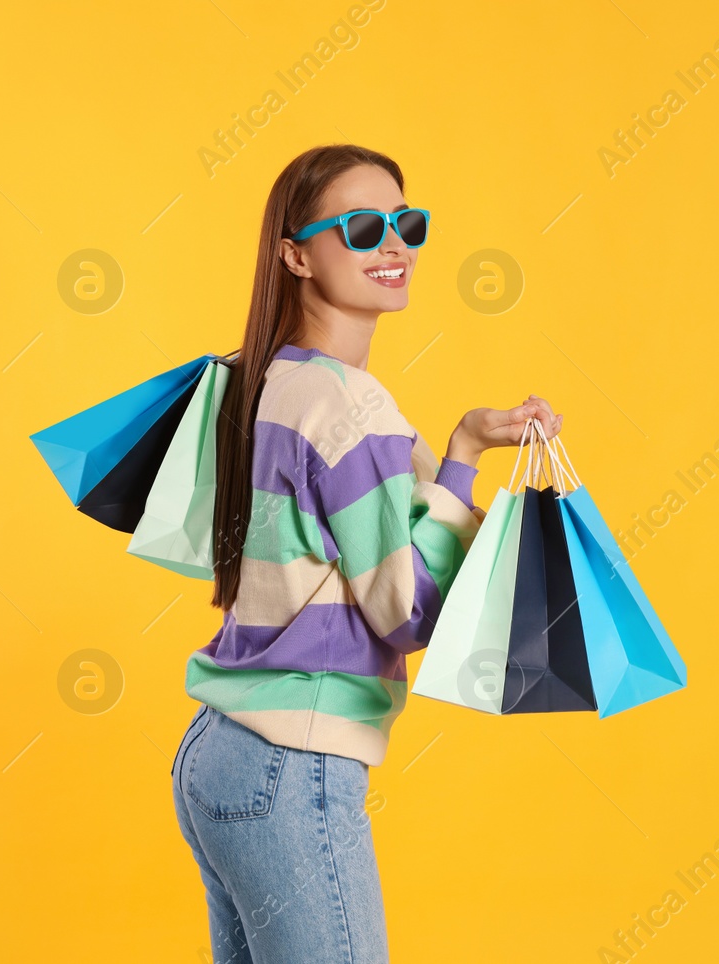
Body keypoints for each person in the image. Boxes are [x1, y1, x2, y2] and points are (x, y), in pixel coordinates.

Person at [169, 143, 561, 962]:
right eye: (363, 227)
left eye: (406, 224)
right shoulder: (352, 404)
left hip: (218, 755)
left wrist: (461, 443)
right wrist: (462, 453)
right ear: (295, 253)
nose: (395, 245)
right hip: (291, 761)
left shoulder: (259, 380)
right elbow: (403, 607)